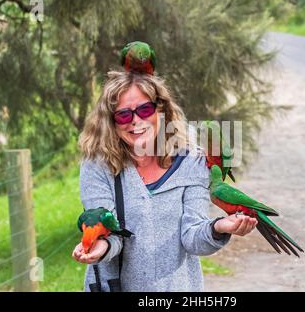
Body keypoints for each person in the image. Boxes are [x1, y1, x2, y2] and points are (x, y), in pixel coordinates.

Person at [72, 70, 257, 291]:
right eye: (123, 115)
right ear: (110, 121)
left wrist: (218, 227)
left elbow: (192, 237)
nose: (136, 121)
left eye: (145, 109)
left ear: (162, 109)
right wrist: (99, 244)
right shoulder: (97, 166)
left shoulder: (192, 161)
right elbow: (108, 231)